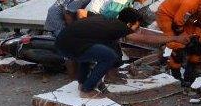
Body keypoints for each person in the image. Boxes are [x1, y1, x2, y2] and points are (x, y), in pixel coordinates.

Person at [55, 8, 187, 99]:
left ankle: (82, 83)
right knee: (109, 56)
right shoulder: (120, 28)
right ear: (129, 24)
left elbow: (143, 34)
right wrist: (175, 38)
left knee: (91, 53)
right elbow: (145, 39)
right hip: (70, 46)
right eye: (137, 26)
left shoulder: (109, 20)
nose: (138, 29)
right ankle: (87, 90)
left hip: (64, 42)